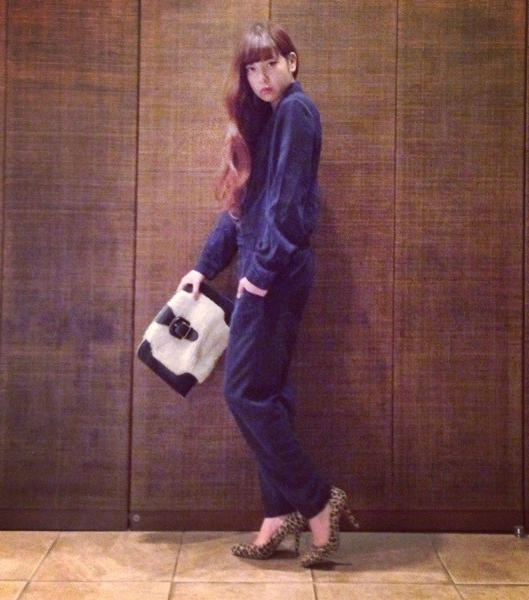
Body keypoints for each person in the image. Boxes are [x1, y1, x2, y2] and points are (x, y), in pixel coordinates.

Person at [177, 20, 358, 568]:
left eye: (270, 64)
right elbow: (244, 207)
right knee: (268, 396)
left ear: (292, 62)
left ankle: (317, 502)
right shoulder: (273, 120)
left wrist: (259, 273)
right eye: (251, 68)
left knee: (244, 394)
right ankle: (279, 517)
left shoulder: (298, 112)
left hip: (273, 276)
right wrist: (204, 267)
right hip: (269, 271)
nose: (261, 77)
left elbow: (287, 204)